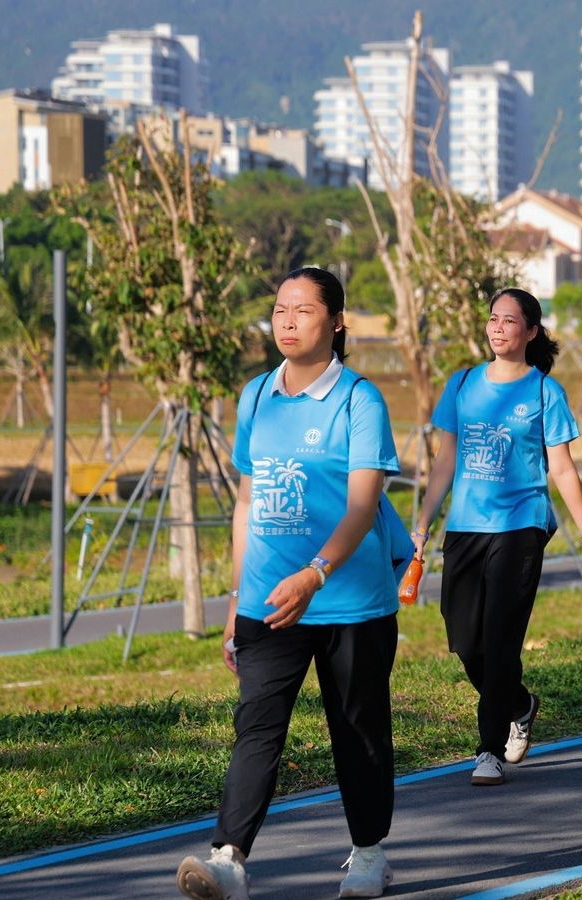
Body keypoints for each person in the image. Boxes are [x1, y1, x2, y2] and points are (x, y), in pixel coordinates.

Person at [177, 267, 401, 900]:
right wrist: (235, 601)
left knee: (357, 729)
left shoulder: (360, 400)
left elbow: (362, 506)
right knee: (257, 726)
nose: (288, 321)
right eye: (279, 309)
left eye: (304, 310)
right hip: (269, 601)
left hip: (351, 603)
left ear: (336, 322)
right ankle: (228, 860)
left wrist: (315, 573)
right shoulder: (255, 396)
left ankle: (369, 854)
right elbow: (248, 503)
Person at [413, 287, 582, 788]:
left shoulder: (545, 391)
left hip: (521, 525)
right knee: (465, 640)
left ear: (531, 331)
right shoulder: (462, 383)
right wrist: (420, 526)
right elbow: (445, 461)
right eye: (493, 318)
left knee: (500, 638)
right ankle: (521, 704)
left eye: (509, 320)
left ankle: (487, 751)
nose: (498, 327)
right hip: (466, 525)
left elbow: (562, 469)